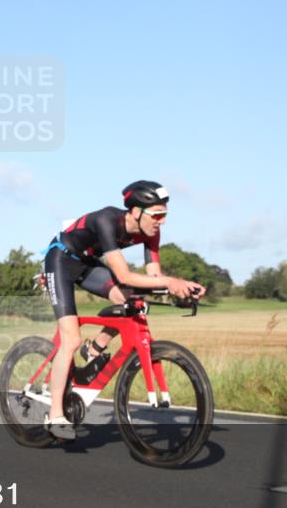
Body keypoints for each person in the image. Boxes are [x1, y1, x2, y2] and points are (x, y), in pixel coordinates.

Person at [40, 180, 205, 439]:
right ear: (136, 212)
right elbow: (125, 275)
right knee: (70, 340)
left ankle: (94, 348)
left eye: (165, 215)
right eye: (157, 215)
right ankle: (55, 414)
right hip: (60, 260)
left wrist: (180, 290)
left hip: (87, 264)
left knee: (133, 301)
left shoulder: (152, 232)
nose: (161, 221)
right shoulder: (107, 220)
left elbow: (154, 277)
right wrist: (170, 283)